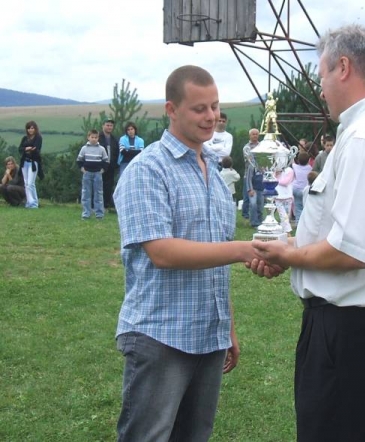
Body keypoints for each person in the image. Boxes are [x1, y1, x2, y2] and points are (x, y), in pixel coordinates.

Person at [249, 24, 365, 442]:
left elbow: (352, 250)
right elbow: (349, 233)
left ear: (344, 68)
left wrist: (288, 255)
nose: (320, 89)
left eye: (322, 76)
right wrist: (289, 247)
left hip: (349, 335)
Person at [113, 65, 281, 442]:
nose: (211, 117)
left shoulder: (215, 177)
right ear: (171, 110)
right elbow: (162, 252)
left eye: (215, 107)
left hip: (209, 335)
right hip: (161, 334)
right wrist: (244, 249)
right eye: (199, 108)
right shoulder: (147, 170)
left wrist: (228, 326)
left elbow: (215, 261)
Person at [77, 129, 109, 220]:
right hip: (87, 173)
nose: (94, 139)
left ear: (98, 138)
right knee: (86, 193)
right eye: (92, 137)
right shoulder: (84, 148)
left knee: (98, 194)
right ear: (88, 137)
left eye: (96, 137)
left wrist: (102, 170)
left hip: (97, 173)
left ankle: (99, 214)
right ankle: (86, 213)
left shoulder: (101, 149)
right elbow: (79, 160)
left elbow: (106, 161)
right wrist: (82, 169)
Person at [18, 120, 43, 208]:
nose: (30, 130)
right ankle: (30, 202)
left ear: (35, 129)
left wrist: (27, 149)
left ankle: (33, 203)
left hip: (33, 162)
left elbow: (36, 148)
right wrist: (26, 149)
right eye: (28, 128)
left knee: (30, 183)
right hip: (24, 162)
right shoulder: (25, 138)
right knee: (26, 184)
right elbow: (20, 149)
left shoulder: (38, 138)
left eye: (32, 128)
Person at [98, 118, 119, 211]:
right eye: (107, 125)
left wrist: (115, 164)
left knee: (109, 186)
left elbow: (117, 152)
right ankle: (96, 205)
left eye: (111, 126)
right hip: (100, 166)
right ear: (103, 126)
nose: (109, 127)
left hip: (111, 166)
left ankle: (106, 205)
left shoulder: (114, 139)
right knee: (98, 185)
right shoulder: (98, 137)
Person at [242, 128, 260, 219]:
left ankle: (258, 216)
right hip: (248, 174)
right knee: (247, 196)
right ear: (250, 135)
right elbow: (250, 159)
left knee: (259, 198)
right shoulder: (247, 147)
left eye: (256, 134)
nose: (255, 136)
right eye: (253, 134)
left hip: (259, 174)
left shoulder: (261, 146)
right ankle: (245, 215)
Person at [246, 151, 265, 228]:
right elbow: (248, 178)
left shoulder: (264, 165)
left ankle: (260, 221)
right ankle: (254, 222)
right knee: (253, 205)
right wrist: (250, 189)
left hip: (261, 188)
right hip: (253, 189)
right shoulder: (252, 166)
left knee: (260, 206)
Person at [292, 151, 312, 222]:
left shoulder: (295, 166)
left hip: (295, 189)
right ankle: (305, 222)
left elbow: (292, 161)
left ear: (298, 160)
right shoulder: (310, 168)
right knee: (305, 207)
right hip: (305, 189)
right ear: (308, 160)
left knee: (298, 207)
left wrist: (293, 156)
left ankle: (298, 222)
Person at [274, 164, 294, 234]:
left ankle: (284, 231)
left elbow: (286, 182)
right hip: (278, 196)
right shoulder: (275, 169)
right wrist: (276, 173)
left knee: (286, 216)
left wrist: (276, 180)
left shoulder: (290, 170)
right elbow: (271, 179)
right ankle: (287, 231)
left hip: (287, 196)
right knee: (282, 215)